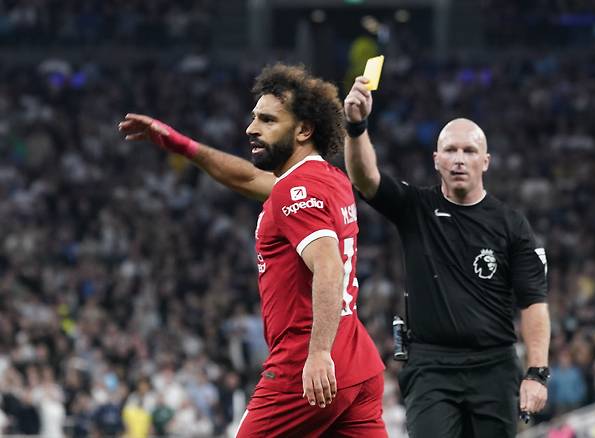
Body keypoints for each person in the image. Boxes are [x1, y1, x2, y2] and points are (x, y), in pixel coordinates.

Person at [118, 64, 386, 437]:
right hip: (357, 362)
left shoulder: (297, 191)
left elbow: (328, 266)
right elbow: (245, 177)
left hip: (304, 365)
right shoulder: (325, 178)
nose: (251, 128)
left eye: (268, 120)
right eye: (254, 117)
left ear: (304, 130)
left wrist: (319, 353)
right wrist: (179, 143)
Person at [343, 76, 551, 437]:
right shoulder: (415, 208)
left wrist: (536, 373)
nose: (459, 159)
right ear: (436, 159)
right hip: (431, 367)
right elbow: (365, 178)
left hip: (495, 366)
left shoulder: (511, 224)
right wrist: (357, 126)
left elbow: (534, 303)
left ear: (485, 162)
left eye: (469, 151)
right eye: (450, 150)